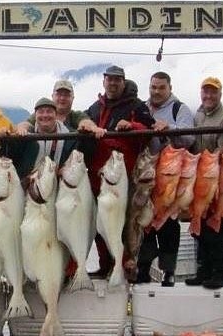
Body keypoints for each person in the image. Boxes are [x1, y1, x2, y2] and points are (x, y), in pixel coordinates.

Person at [82, 65, 155, 279]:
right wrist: (86, 125)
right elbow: (84, 120)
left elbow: (148, 131)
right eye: (109, 79)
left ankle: (125, 265)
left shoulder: (136, 106)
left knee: (125, 222)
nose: (113, 83)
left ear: (123, 82)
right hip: (97, 174)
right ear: (103, 81)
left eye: (117, 80)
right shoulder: (96, 107)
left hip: (124, 174)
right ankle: (106, 265)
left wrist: (132, 125)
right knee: (99, 223)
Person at [135, 71, 195, 287]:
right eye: (153, 87)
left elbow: (189, 138)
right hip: (146, 173)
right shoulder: (142, 107)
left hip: (171, 175)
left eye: (161, 87)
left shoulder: (180, 109)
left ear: (170, 87)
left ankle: (168, 270)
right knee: (145, 220)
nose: (156, 91)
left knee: (169, 223)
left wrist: (169, 127)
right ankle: (143, 268)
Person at [185, 77, 223, 290]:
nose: (208, 96)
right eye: (205, 92)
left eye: (213, 92)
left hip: (217, 180)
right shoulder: (198, 114)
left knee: (217, 227)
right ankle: (204, 271)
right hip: (200, 179)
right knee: (199, 227)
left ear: (220, 94)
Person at [4, 97, 80, 179]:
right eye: (41, 112)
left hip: (60, 186)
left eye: (49, 111)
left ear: (56, 115)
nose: (45, 115)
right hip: (28, 186)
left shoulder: (71, 137)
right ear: (35, 116)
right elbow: (10, 152)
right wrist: (4, 138)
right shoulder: (25, 136)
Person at [15, 79, 91, 134]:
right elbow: (26, 124)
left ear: (73, 98)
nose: (62, 98)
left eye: (66, 95)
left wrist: (87, 127)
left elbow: (85, 122)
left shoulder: (76, 115)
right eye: (59, 94)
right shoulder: (41, 115)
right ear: (52, 96)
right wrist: (22, 130)